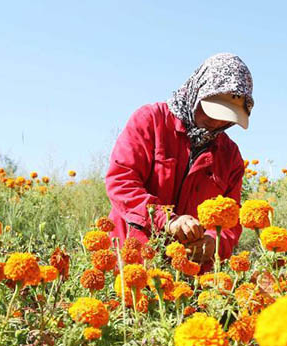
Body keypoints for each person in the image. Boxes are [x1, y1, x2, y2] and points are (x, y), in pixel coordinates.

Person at [104, 53, 253, 265]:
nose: (217, 121)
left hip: (187, 270)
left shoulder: (230, 156)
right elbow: (121, 181)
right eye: (211, 111)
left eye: (226, 117)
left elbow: (231, 220)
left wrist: (213, 242)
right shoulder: (151, 120)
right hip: (131, 259)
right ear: (197, 92)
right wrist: (167, 220)